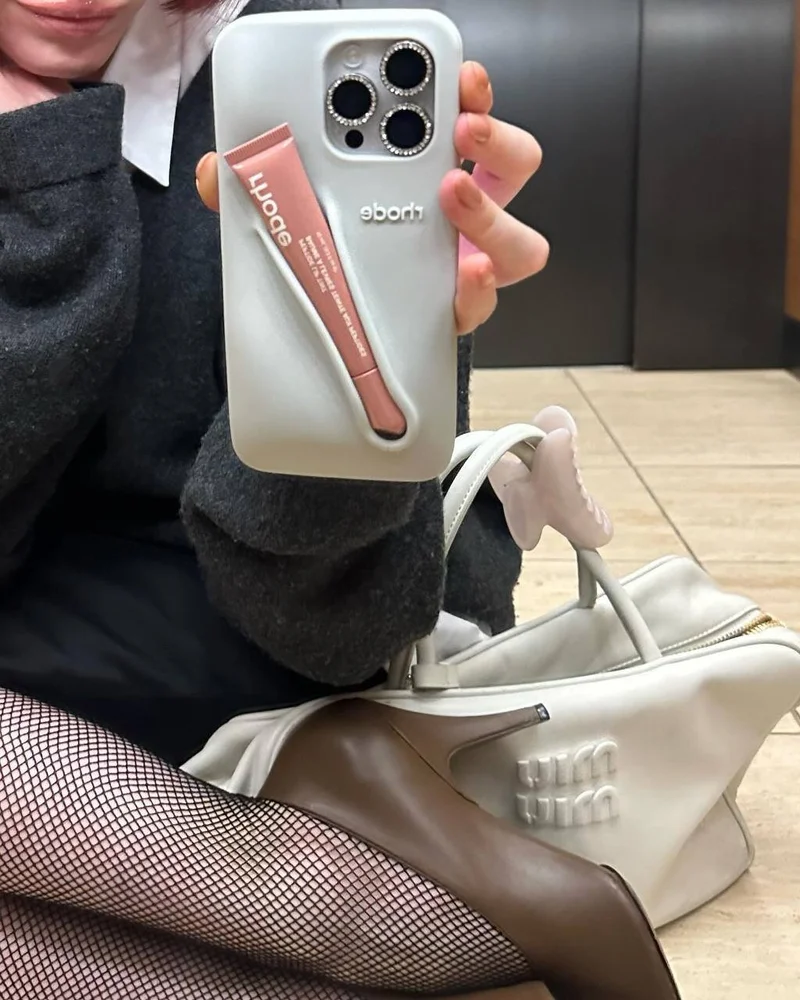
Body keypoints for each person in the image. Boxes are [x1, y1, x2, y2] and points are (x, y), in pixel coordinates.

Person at [0, 1, 558, 998]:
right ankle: (431, 923)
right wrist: (44, 177)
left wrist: (367, 377)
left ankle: (421, 913)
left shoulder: (280, 71)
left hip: (261, 635)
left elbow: (335, 634)